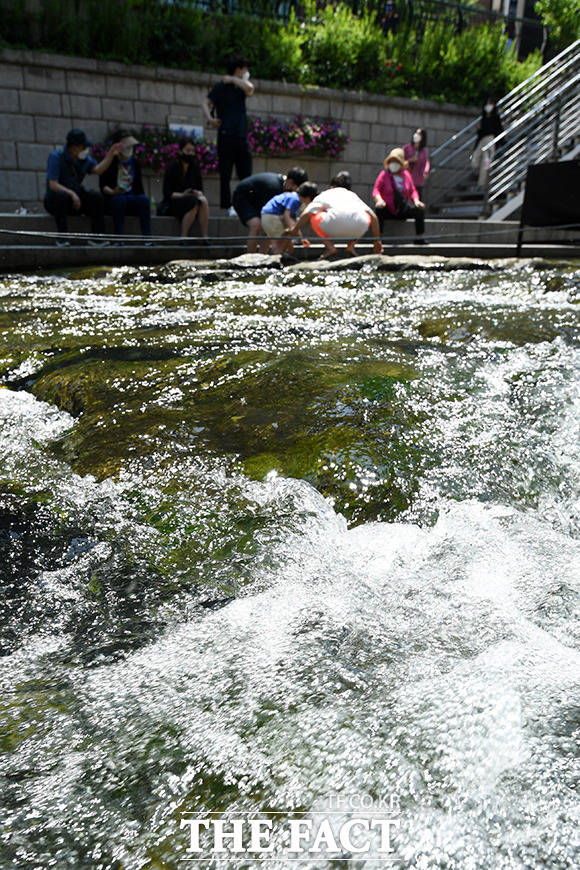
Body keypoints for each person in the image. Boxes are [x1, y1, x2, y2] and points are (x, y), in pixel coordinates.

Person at [44, 128, 123, 245]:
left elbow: (98, 170)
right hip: (57, 200)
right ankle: (62, 238)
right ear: (74, 148)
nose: (86, 150)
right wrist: (71, 193)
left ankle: (97, 238)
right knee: (61, 196)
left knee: (95, 197)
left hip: (75, 200)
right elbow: (53, 184)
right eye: (83, 147)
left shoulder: (84, 159)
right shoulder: (56, 157)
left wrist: (111, 154)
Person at [286, 172, 383, 259]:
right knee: (364, 217)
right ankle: (351, 246)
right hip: (358, 229)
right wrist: (377, 241)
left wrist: (294, 230)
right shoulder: (352, 195)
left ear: (332, 186)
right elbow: (373, 217)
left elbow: (307, 213)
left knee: (314, 216)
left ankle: (330, 248)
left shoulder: (326, 193)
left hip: (332, 225)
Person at [203, 54, 254, 215]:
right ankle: (227, 206)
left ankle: (245, 205)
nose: (246, 71)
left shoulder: (240, 86)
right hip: (226, 136)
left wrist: (233, 80)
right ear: (238, 69)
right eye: (244, 68)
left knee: (245, 174)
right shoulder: (220, 87)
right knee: (225, 174)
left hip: (241, 136)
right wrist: (210, 119)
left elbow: (250, 88)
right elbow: (206, 102)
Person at [232, 167, 308, 253]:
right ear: (290, 182)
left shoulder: (285, 190)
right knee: (256, 225)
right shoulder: (274, 187)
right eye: (298, 189)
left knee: (267, 229)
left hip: (257, 200)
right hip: (243, 197)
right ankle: (250, 259)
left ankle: (262, 257)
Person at [98, 129, 151, 240]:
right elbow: (103, 186)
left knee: (144, 200)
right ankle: (119, 238)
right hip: (115, 200)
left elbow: (139, 189)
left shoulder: (135, 163)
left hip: (131, 198)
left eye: (131, 147)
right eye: (127, 147)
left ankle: (147, 238)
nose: (129, 149)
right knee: (119, 200)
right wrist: (113, 191)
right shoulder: (110, 162)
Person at [158, 138, 209, 240]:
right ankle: (184, 236)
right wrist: (182, 195)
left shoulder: (194, 167)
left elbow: (200, 189)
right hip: (174, 202)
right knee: (193, 203)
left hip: (191, 199)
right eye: (187, 151)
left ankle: (205, 236)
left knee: (203, 201)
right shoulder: (172, 166)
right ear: (180, 151)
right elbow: (167, 192)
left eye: (192, 151)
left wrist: (196, 192)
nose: (190, 154)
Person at [372, 148, 426, 244]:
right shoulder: (384, 175)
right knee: (379, 210)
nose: (394, 164)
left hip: (401, 209)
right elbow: (376, 190)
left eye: (396, 161)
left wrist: (416, 201)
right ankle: (378, 239)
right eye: (392, 161)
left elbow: (412, 191)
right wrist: (379, 200)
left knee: (419, 210)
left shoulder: (406, 175)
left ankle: (419, 237)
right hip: (388, 209)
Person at [260, 181, 318, 253]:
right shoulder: (295, 199)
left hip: (268, 216)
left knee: (287, 244)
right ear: (309, 197)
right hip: (272, 216)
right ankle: (276, 258)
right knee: (279, 243)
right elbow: (286, 215)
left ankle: (279, 256)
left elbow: (295, 222)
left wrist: (300, 238)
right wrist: (292, 229)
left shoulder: (293, 196)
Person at [471, 97, 503, 188]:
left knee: (486, 161)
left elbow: (499, 130)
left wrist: (500, 143)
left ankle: (483, 183)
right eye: (487, 103)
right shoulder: (484, 117)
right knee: (475, 159)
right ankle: (482, 177)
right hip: (482, 139)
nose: (488, 106)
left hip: (490, 139)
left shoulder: (495, 117)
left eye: (490, 104)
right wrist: (479, 129)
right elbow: (481, 132)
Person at [403, 128, 430, 202]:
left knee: (417, 203)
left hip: (418, 181)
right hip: (406, 180)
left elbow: (425, 163)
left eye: (419, 134)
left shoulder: (423, 151)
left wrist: (425, 171)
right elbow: (400, 161)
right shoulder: (407, 148)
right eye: (416, 133)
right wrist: (410, 160)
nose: (416, 135)